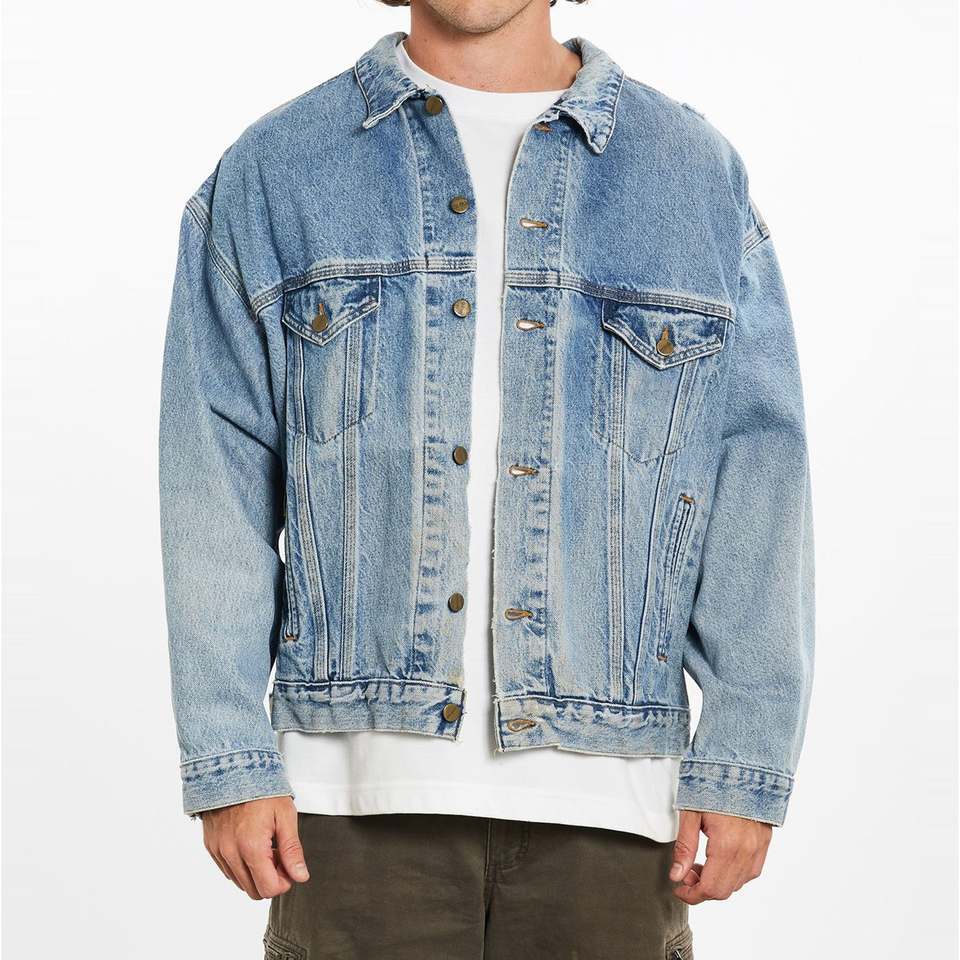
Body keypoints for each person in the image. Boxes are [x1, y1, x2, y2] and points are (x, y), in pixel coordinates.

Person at [158, 1, 815, 956]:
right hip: (348, 812)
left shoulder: (692, 175)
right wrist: (228, 757)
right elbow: (212, 480)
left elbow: (758, 475)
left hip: (616, 813)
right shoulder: (277, 170)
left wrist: (746, 756)